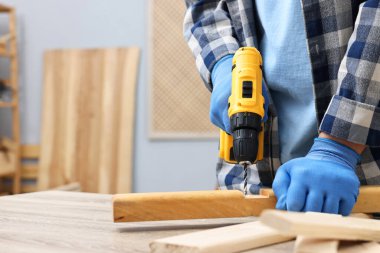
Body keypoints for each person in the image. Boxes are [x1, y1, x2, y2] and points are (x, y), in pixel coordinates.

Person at [183, 0, 380, 216]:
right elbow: (204, 7)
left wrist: (340, 147)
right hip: (250, 187)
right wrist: (223, 63)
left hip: (364, 188)